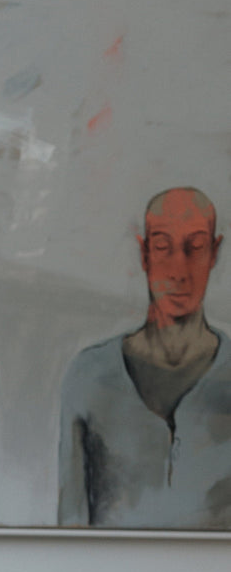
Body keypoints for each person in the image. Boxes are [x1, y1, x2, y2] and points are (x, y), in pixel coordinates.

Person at [58, 186, 231, 528]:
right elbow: (70, 526)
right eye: (163, 247)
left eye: (194, 248)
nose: (178, 270)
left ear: (214, 252)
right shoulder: (88, 375)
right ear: (144, 253)